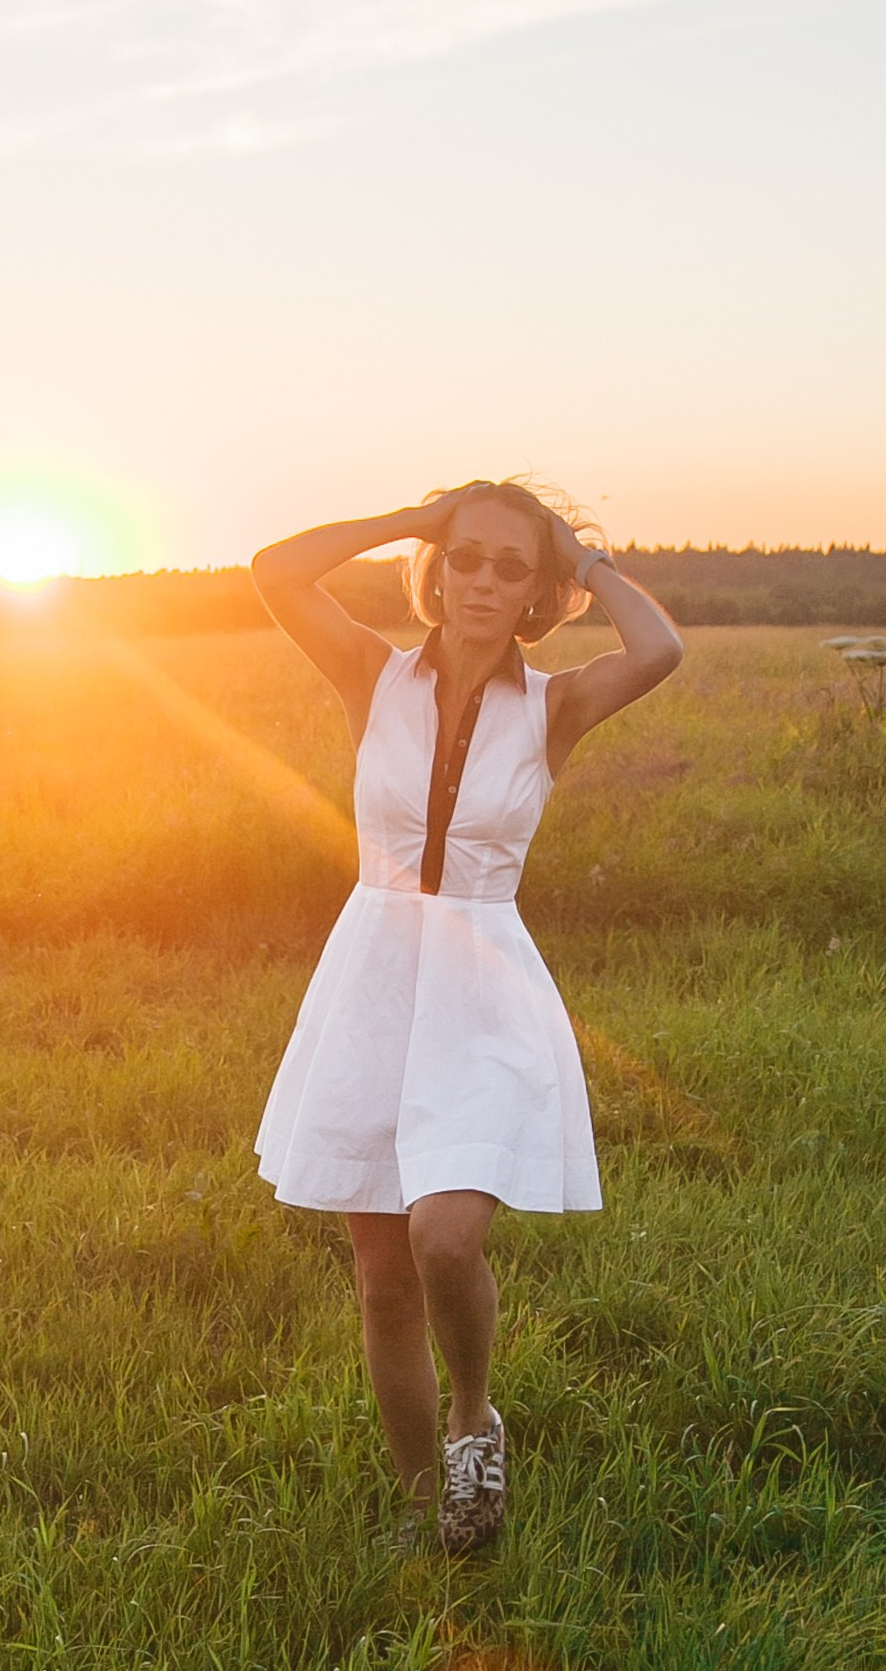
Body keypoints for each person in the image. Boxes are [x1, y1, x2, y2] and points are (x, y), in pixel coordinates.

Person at [250, 480, 684, 1554]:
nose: (482, 580)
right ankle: (417, 1507)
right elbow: (273, 569)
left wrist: (580, 556)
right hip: (373, 979)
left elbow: (659, 647)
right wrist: (413, 517)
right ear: (436, 571)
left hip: (483, 985)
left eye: (507, 566)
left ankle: (471, 1418)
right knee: (380, 1276)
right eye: (466, 557)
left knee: (443, 1234)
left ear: (534, 590)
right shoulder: (369, 673)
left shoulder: (554, 704)